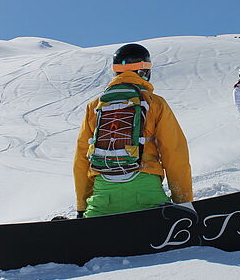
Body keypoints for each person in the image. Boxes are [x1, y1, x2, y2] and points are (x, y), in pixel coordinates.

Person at [73, 43, 193, 218]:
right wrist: (184, 201)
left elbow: (81, 159)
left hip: (104, 196)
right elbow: (174, 153)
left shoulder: (95, 107)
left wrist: (81, 207)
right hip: (147, 193)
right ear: (144, 72)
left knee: (94, 219)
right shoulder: (155, 103)